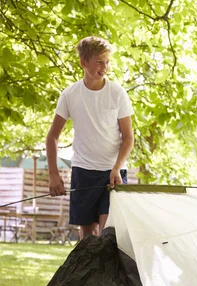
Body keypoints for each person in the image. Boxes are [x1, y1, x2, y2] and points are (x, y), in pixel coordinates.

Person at [46, 36, 134, 239]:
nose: (105, 67)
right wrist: (53, 174)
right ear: (83, 63)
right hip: (83, 171)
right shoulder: (69, 95)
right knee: (88, 238)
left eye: (107, 62)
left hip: (113, 174)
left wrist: (116, 167)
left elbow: (128, 137)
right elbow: (52, 137)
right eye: (99, 62)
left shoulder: (117, 93)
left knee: (108, 233)